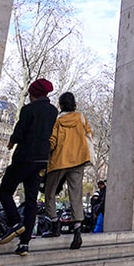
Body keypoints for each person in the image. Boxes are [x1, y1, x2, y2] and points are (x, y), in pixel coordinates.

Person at [0, 78, 58, 256]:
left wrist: (12, 141)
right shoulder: (53, 111)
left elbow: (20, 130)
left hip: (25, 157)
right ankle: (24, 244)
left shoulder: (28, 109)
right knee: (31, 200)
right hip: (42, 160)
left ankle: (16, 223)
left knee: (5, 191)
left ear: (32, 93)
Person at [45, 91, 92, 251]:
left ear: (61, 104)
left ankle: (54, 223)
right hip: (79, 159)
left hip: (60, 160)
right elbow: (89, 134)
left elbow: (52, 140)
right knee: (76, 194)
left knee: (50, 192)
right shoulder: (81, 118)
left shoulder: (58, 120)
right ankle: (77, 229)